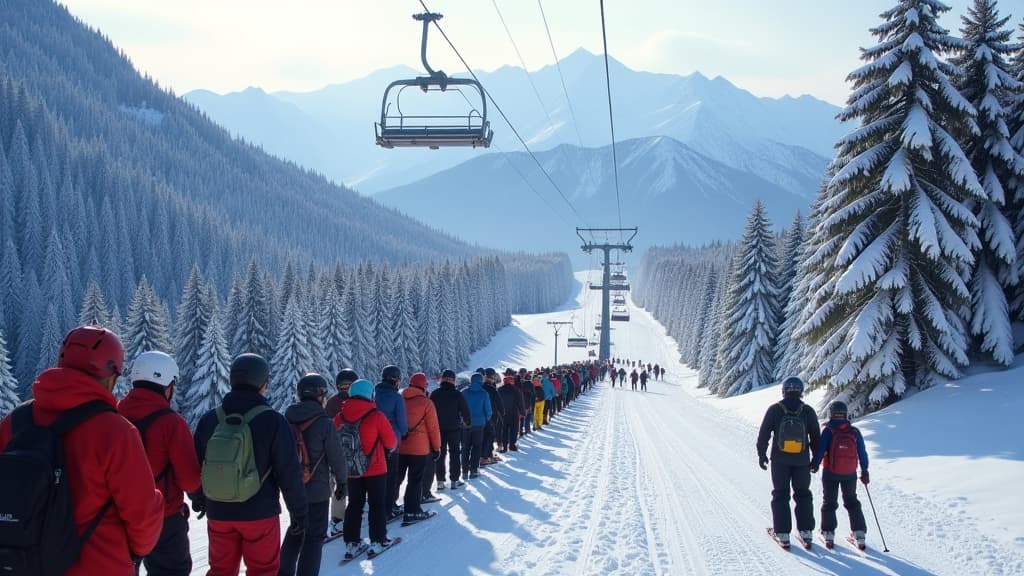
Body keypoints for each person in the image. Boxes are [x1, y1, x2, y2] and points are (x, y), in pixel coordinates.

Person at [0, 326, 163, 576]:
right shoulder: (116, 431)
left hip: (21, 565)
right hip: (99, 567)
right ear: (111, 376)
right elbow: (143, 519)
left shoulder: (15, 421)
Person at [193, 353, 308, 576]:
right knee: (263, 571)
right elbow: (289, 473)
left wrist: (199, 497)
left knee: (220, 571)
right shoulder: (273, 421)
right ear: (263, 384)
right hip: (260, 514)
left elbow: (196, 464)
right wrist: (299, 514)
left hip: (219, 512)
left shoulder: (210, 419)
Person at [118, 350, 201, 576]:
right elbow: (190, 479)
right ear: (166, 385)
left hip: (118, 517)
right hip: (164, 518)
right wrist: (199, 497)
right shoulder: (171, 423)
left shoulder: (114, 415)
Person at [280, 374, 348, 576]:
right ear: (320, 396)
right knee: (314, 538)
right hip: (317, 489)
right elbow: (336, 457)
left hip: (293, 488)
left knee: (295, 530)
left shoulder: (287, 419)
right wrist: (342, 482)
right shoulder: (324, 423)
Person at [756, 376, 821, 547]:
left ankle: (783, 534)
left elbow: (763, 434)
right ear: (800, 391)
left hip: (779, 460)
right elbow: (816, 438)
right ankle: (806, 532)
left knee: (780, 494)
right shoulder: (808, 411)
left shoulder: (775, 409)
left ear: (784, 391)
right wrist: (816, 461)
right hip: (802, 461)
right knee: (803, 494)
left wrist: (761, 455)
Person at [338, 379, 397, 558]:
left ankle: (351, 542)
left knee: (354, 504)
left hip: (352, 469)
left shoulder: (339, 417)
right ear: (369, 394)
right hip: (376, 469)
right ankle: (378, 540)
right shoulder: (376, 416)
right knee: (376, 505)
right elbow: (392, 442)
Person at [810, 400, 870, 549]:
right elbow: (862, 452)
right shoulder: (854, 432)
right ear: (845, 414)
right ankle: (859, 534)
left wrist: (815, 465)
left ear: (831, 414)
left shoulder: (828, 431)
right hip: (850, 473)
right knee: (852, 502)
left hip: (830, 472)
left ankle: (828, 533)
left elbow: (821, 449)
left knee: (829, 502)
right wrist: (865, 470)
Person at [398, 373, 441, 523]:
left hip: (400, 446)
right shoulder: (426, 403)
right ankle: (412, 511)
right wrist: (436, 448)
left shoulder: (400, 399)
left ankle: (389, 506)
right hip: (419, 448)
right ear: (423, 386)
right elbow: (433, 428)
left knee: (396, 478)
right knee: (415, 480)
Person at [374, 365, 408, 520]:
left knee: (378, 476)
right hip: (392, 440)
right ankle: (389, 508)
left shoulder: (374, 394)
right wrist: (404, 432)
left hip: (374, 440)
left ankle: (379, 506)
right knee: (391, 475)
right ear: (395, 380)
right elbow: (401, 421)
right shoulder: (396, 397)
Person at [326, 368, 357, 535]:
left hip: (348, 449)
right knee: (341, 483)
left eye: (348, 386)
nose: (345, 389)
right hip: (342, 450)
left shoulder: (333, 402)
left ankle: (349, 512)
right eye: (342, 386)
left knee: (350, 482)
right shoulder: (333, 404)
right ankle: (337, 519)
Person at [430, 369, 471, 491]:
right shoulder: (457, 394)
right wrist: (468, 423)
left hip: (438, 430)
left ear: (442, 379)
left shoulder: (435, 394)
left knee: (440, 455)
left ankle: (440, 481)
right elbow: (465, 411)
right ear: (453, 380)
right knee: (454, 454)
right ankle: (454, 480)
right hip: (454, 429)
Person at [461, 373, 492, 479]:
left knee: (465, 448)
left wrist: (462, 420)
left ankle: (464, 471)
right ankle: (474, 470)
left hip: (466, 424)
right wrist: (485, 419)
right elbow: (488, 411)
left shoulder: (464, 392)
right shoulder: (484, 394)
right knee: (476, 447)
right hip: (479, 424)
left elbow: (459, 409)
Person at [480, 368, 504, 463]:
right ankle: (487, 456)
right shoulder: (492, 389)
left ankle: (485, 455)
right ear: (493, 376)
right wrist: (502, 412)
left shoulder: (481, 387)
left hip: (480, 416)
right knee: (489, 436)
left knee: (482, 436)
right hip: (491, 416)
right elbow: (499, 403)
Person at [498, 375, 525, 452]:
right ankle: (512, 445)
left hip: (503, 414)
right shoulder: (516, 390)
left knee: (504, 430)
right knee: (514, 430)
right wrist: (522, 411)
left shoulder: (499, 390)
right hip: (514, 413)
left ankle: (505, 446)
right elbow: (520, 402)